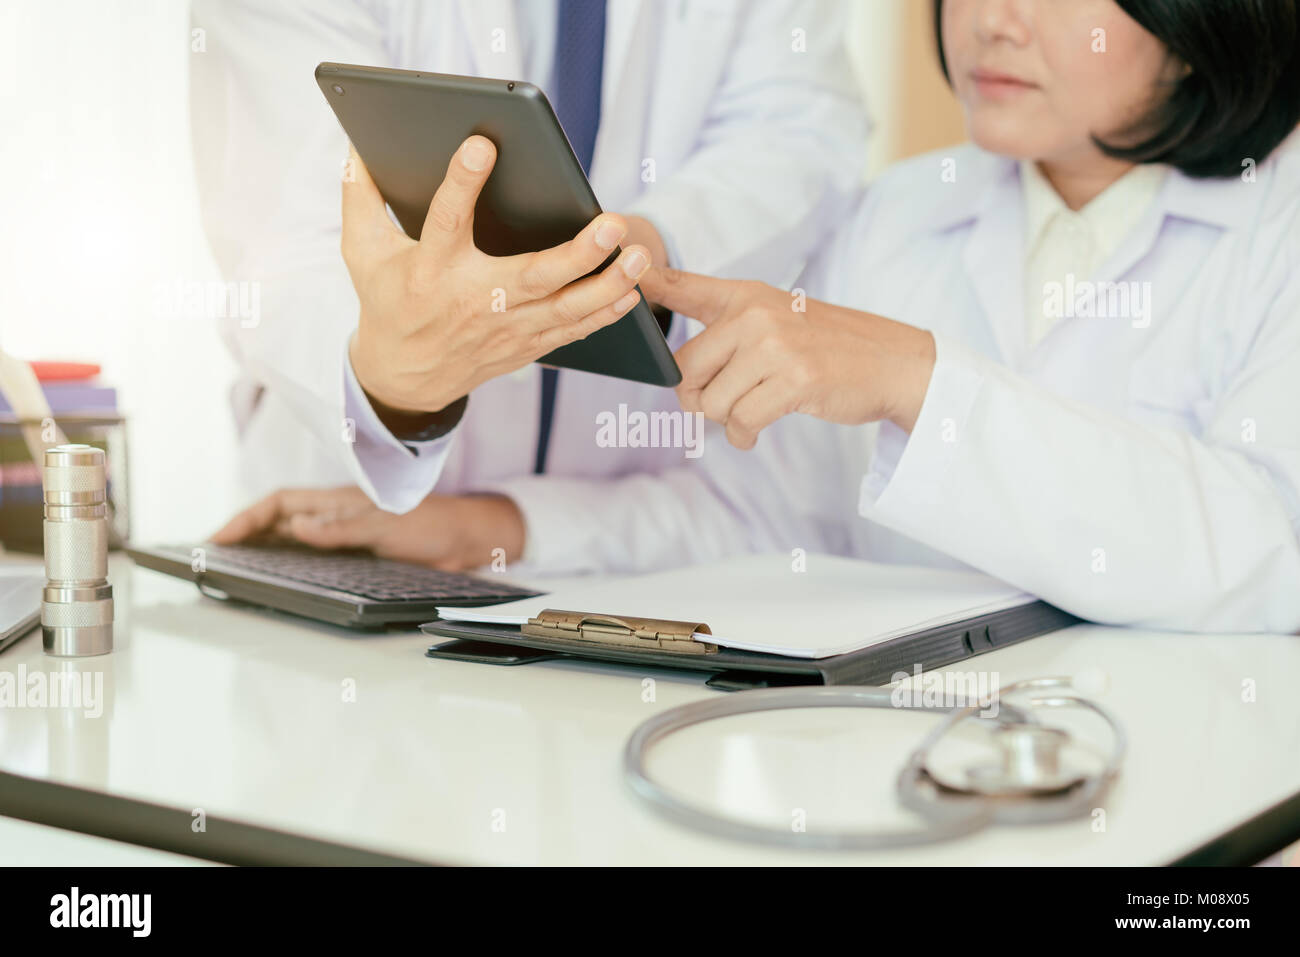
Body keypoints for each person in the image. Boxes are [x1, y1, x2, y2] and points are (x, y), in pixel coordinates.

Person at [227, 0, 1300, 635]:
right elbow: (763, 522)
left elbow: (1273, 552)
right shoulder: (899, 216)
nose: (994, 20)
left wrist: (915, 380)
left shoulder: (1279, 218)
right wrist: (488, 528)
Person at [192, 0, 868, 570]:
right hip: (356, 542)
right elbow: (285, 228)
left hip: (625, 546)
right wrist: (396, 381)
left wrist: (654, 249)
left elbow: (798, 130)